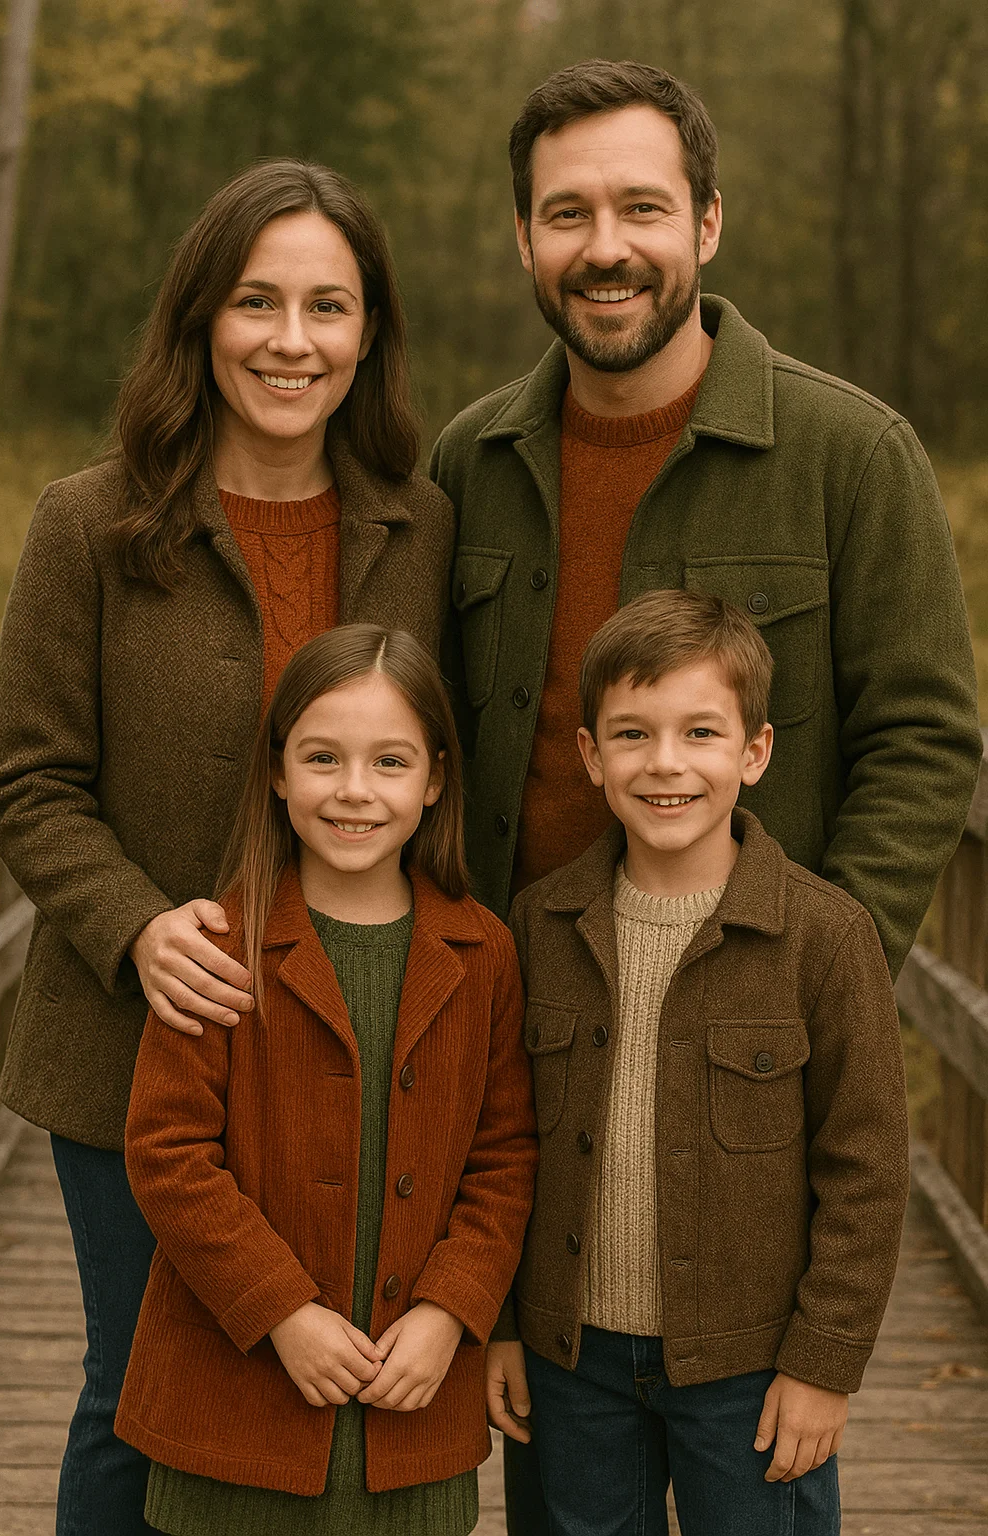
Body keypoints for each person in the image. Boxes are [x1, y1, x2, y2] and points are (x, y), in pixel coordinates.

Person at [429, 63, 980, 1527]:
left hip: (754, 1067)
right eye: (567, 212)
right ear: (525, 241)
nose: (603, 243)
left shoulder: (849, 454)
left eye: (641, 206)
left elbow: (929, 735)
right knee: (569, 1479)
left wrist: (810, 957)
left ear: (710, 225)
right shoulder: (468, 463)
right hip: (526, 1049)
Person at [0, 161, 455, 1536]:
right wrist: (133, 924)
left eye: (327, 305)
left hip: (358, 1052)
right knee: (138, 1400)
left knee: (327, 1406)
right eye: (256, 301)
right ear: (200, 318)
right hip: (144, 1044)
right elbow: (28, 781)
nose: (290, 340)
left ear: (370, 334)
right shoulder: (93, 525)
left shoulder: (422, 527)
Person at [487, 588, 909, 1536]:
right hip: (570, 1360)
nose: (665, 764)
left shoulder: (825, 937)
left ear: (753, 752)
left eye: (701, 733)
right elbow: (500, 1144)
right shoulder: (539, 928)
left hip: (754, 1373)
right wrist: (502, 1325)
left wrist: (823, 1365)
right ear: (591, 756)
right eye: (632, 735)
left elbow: (867, 1172)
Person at [113, 624, 537, 1536]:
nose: (354, 789)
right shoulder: (218, 946)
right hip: (234, 1410)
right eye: (322, 757)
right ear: (277, 773)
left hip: (410, 1416)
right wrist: (282, 1313)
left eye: (389, 761)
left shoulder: (484, 951)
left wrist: (452, 1311)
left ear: (434, 781)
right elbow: (167, 1153)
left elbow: (505, 1156)